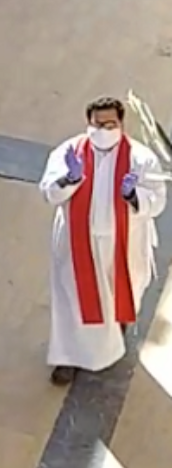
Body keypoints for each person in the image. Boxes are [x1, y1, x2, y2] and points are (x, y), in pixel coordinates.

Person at [39, 96, 166, 386]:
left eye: (111, 124)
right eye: (98, 124)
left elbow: (158, 201)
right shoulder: (69, 152)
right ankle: (69, 357)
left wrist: (134, 196)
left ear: (121, 123)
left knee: (119, 295)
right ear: (89, 123)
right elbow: (49, 192)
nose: (104, 129)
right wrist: (70, 179)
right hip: (76, 241)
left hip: (124, 244)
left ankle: (111, 339)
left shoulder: (141, 158)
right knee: (73, 298)